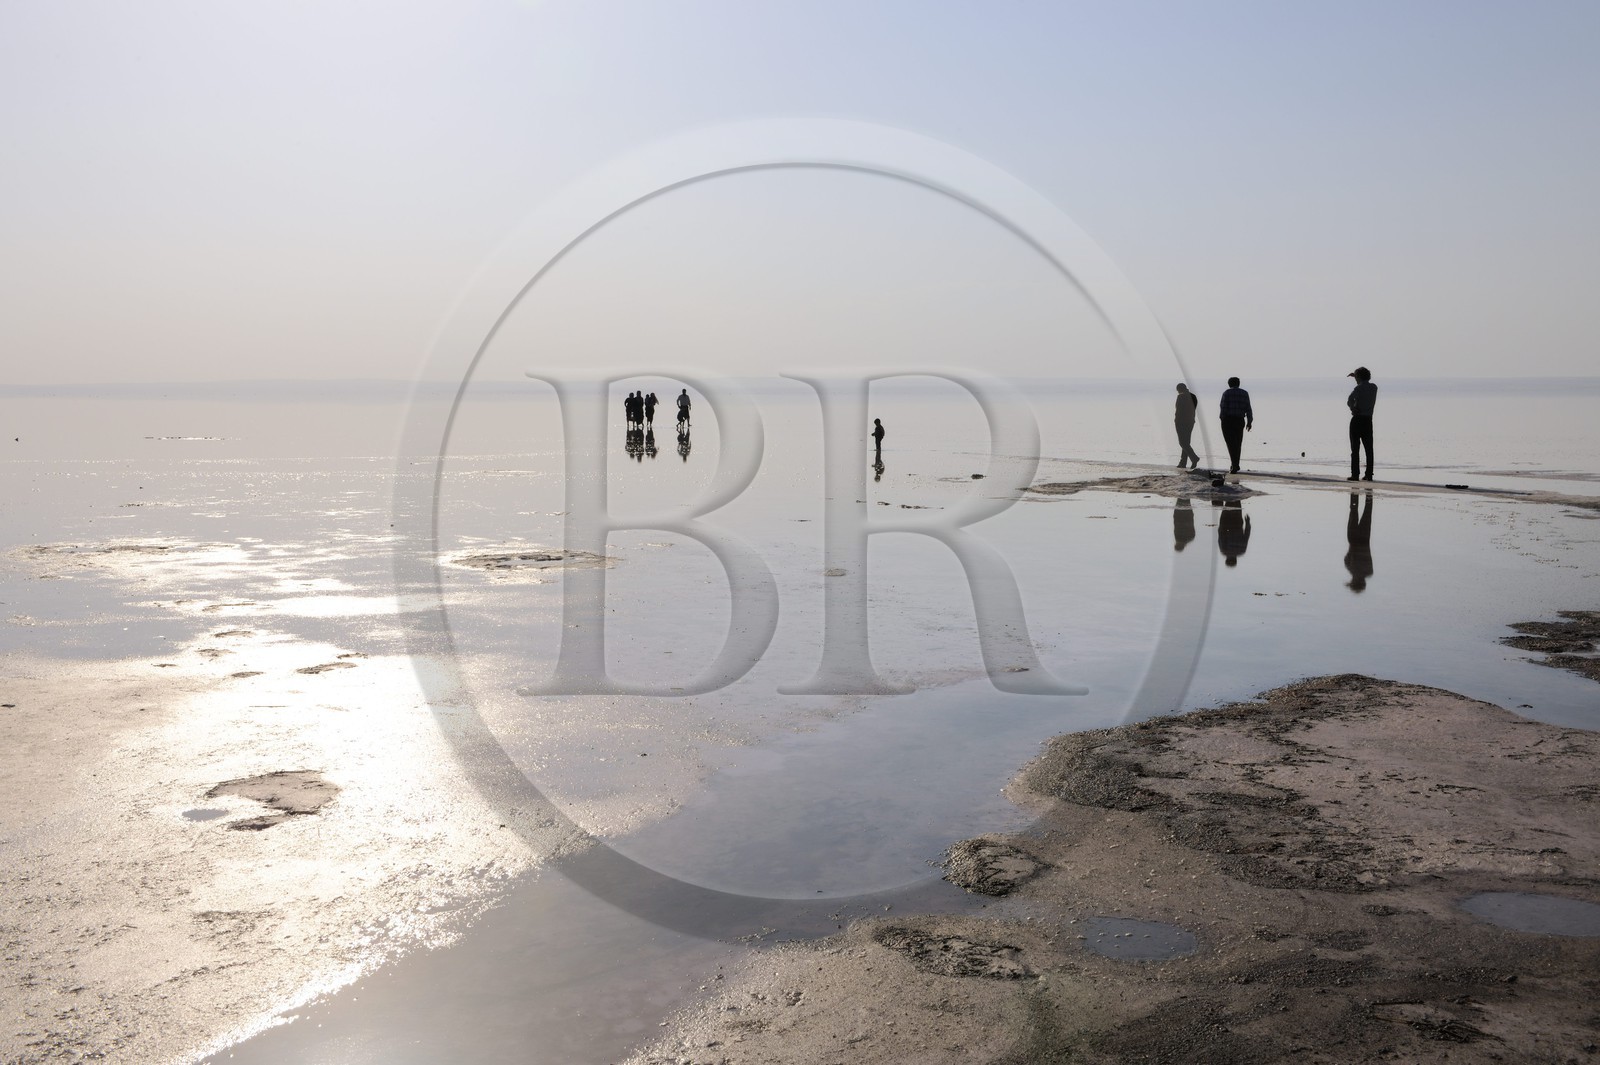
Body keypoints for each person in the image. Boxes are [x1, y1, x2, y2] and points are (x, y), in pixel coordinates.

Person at [1346, 366, 1376, 481]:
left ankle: (1355, 474)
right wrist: (1357, 376)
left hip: (1357, 420)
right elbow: (1364, 383)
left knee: (1355, 449)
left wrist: (1353, 408)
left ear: (1358, 377)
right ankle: (1369, 474)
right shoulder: (1374, 387)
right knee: (1369, 449)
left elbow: (1349, 399)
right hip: (1368, 420)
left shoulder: (1358, 389)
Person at [1218, 377, 1253, 474]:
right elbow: (1248, 408)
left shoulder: (1226, 393)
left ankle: (1234, 465)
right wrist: (1249, 421)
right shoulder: (1244, 393)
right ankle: (1236, 464)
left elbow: (1223, 407)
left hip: (1228, 420)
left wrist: (1222, 419)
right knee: (1238, 443)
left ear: (1229, 384)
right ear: (1239, 383)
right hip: (1240, 420)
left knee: (1230, 443)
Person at [1344, 492, 1373, 591]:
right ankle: (1355, 491)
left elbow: (1347, 558)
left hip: (1364, 539)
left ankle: (1366, 492)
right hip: (1354, 539)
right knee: (1354, 511)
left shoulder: (1368, 571)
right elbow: (1346, 558)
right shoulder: (1352, 569)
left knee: (1367, 512)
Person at [1173, 383, 1200, 469]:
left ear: (1179, 389)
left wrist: (1176, 421)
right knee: (1186, 442)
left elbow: (1178, 411)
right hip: (1190, 421)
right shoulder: (1193, 396)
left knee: (1182, 442)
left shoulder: (1180, 396)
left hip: (1181, 422)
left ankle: (1194, 458)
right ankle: (1183, 462)